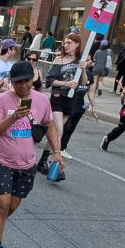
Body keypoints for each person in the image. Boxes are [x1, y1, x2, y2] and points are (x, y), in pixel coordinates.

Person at [0, 61, 57, 248]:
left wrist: (57, 152)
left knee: (11, 207)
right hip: (0, 162)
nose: (23, 86)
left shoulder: (42, 101)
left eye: (26, 81)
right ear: (11, 82)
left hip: (27, 165)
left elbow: (49, 125)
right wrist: (13, 116)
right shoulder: (0, 100)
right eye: (18, 82)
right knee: (2, 205)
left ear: (33, 79)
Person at [40, 32, 86, 174]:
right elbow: (49, 81)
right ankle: (55, 162)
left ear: (77, 44)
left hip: (72, 99)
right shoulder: (59, 60)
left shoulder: (80, 61)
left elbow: (84, 83)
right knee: (58, 130)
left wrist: (83, 70)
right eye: (64, 43)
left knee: (57, 133)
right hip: (58, 97)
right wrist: (66, 83)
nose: (66, 45)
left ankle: (43, 160)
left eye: (69, 43)